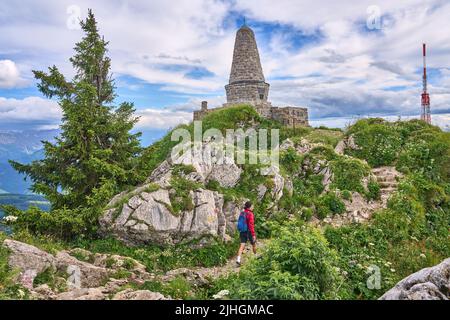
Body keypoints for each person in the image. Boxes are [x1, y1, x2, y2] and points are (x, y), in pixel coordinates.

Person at [236, 201, 256, 266]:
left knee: (242, 245)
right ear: (249, 207)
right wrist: (253, 234)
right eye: (252, 206)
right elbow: (251, 225)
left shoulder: (242, 213)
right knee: (253, 244)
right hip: (249, 231)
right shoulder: (250, 214)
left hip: (242, 231)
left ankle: (238, 260)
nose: (253, 207)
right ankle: (256, 256)